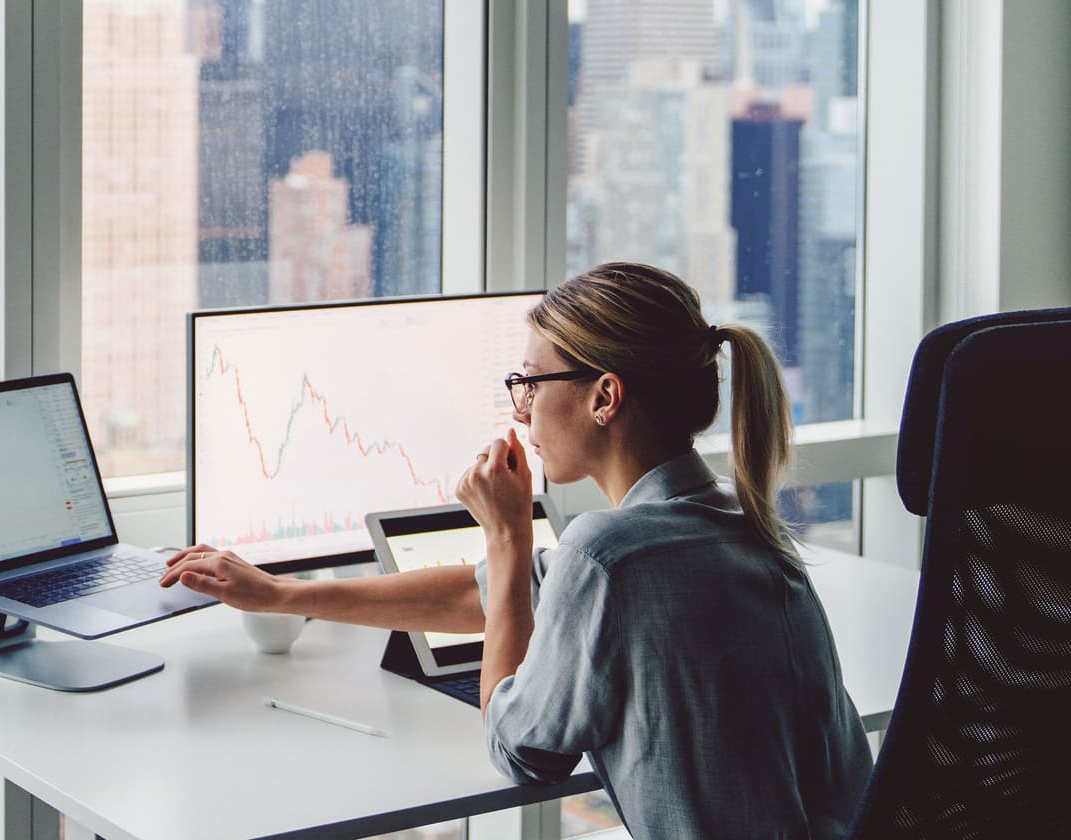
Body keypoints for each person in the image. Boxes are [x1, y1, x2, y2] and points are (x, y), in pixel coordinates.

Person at [158, 262, 872, 838]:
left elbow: (521, 755)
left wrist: (506, 533)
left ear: (606, 396)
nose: (519, 406)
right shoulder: (734, 522)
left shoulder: (608, 552)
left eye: (531, 381)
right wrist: (281, 595)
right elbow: (485, 593)